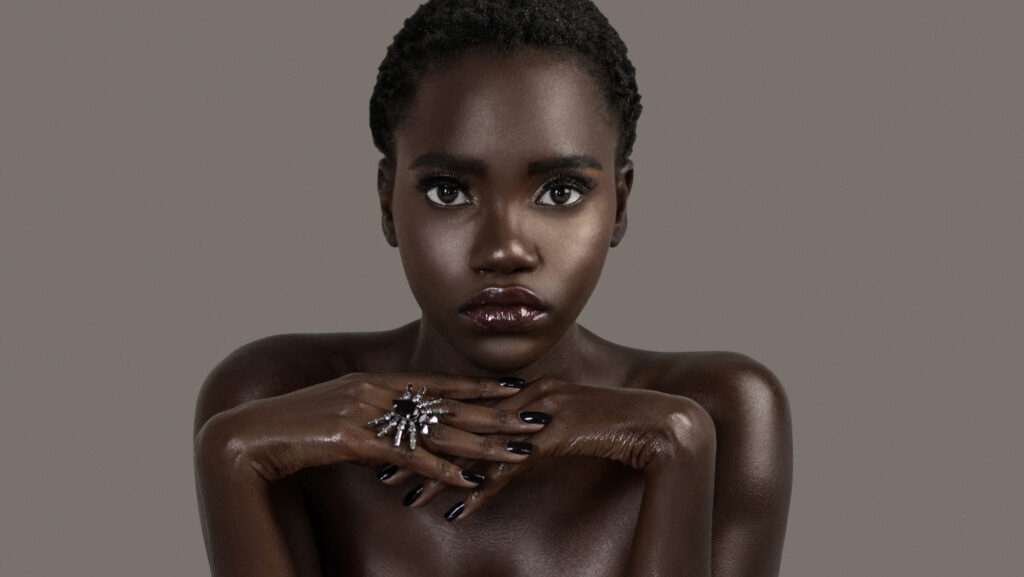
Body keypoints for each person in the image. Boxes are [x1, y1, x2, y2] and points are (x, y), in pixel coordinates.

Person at [193, 1, 793, 575]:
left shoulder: (719, 411)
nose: (504, 250)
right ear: (386, 202)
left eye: (560, 192)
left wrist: (674, 445)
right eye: (448, 191)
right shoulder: (274, 400)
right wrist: (231, 454)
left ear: (620, 204)